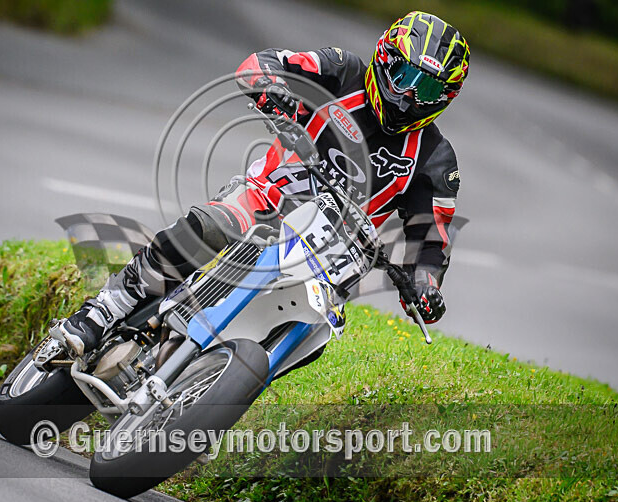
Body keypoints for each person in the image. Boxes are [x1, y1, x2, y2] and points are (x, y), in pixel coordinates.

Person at [52, 11, 470, 357]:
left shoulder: (435, 156)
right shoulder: (342, 69)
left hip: (332, 251)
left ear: (446, 96)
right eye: (404, 76)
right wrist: (272, 90)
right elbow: (260, 64)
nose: (409, 95)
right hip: (265, 197)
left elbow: (432, 238)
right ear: (384, 59)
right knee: (210, 227)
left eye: (428, 87)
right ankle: (103, 311)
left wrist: (425, 284)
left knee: (316, 336)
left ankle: (214, 394)